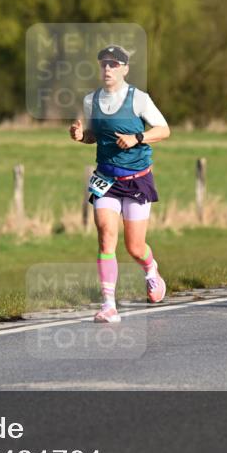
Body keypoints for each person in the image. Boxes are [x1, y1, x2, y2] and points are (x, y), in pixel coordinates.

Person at [70, 45, 170, 323]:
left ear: (125, 69)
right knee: (105, 236)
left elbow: (164, 130)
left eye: (114, 64)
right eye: (104, 64)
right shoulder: (91, 101)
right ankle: (108, 304)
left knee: (135, 247)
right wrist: (80, 135)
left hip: (137, 179)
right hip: (105, 179)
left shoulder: (138, 99)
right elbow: (94, 136)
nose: (108, 69)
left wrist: (137, 138)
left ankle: (151, 269)